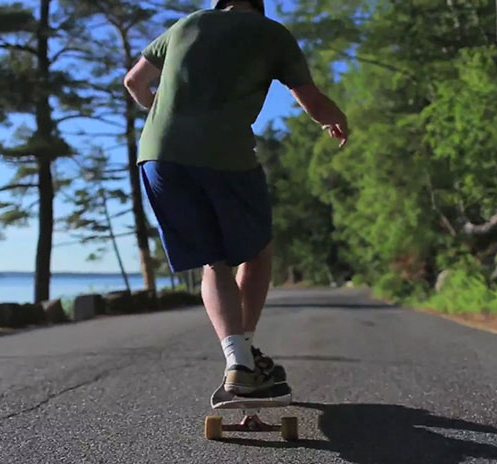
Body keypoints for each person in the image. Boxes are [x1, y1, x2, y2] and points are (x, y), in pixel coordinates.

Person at [124, 0, 348, 396]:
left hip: (158, 156)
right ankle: (244, 358)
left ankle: (239, 360)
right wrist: (337, 119)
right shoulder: (271, 33)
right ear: (257, 5)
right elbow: (311, 101)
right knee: (258, 250)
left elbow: (134, 83)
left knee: (216, 260)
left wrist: (162, 114)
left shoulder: (185, 25)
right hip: (224, 155)